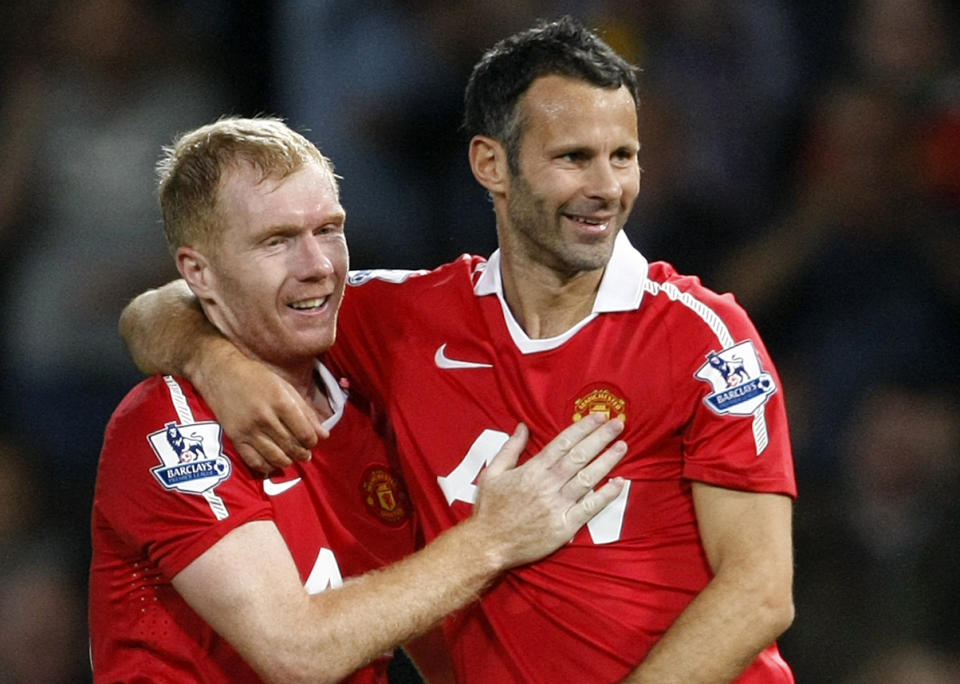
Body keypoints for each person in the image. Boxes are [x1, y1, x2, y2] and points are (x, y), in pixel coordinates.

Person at [121, 17, 797, 683]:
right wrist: (217, 362)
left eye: (623, 156)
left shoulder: (703, 338)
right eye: (573, 158)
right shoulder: (403, 319)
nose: (606, 187)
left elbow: (760, 592)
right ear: (490, 164)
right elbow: (161, 308)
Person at [90, 115, 630, 684]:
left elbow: (426, 624)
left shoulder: (370, 394)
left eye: (328, 229)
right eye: (276, 241)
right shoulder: (170, 426)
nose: (318, 266)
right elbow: (297, 653)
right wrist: (495, 538)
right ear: (199, 272)